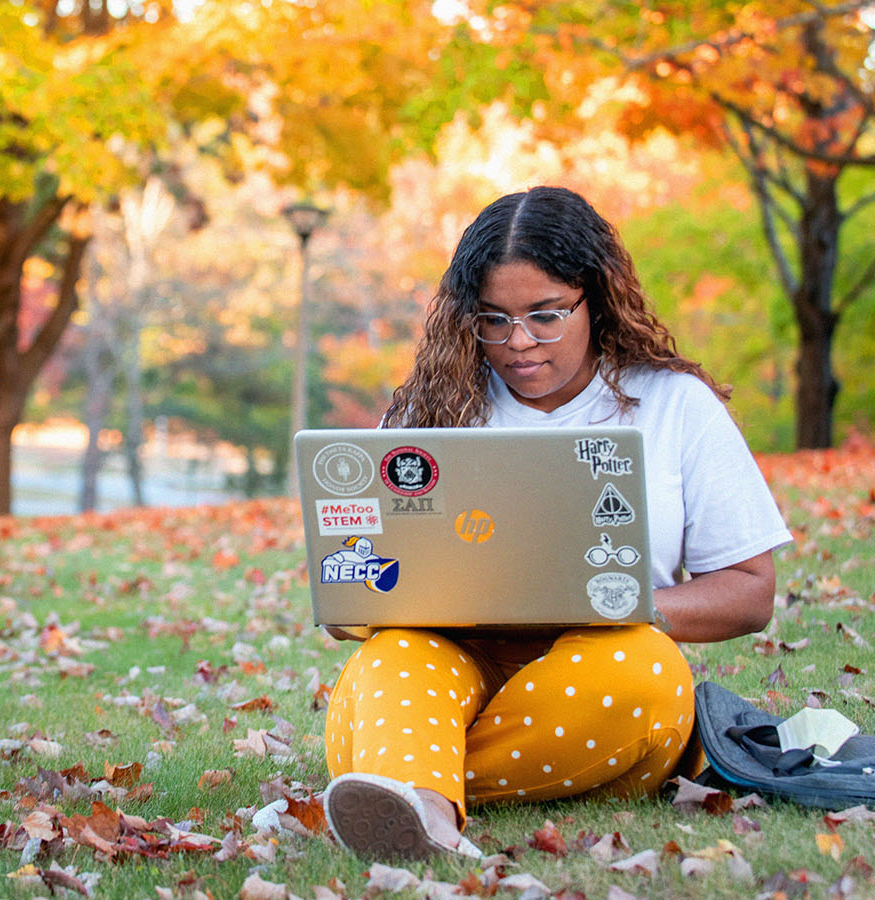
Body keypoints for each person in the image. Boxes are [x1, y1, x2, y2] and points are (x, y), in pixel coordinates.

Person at [319, 186, 793, 861]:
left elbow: (751, 590)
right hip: (446, 667)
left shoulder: (673, 405)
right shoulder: (433, 409)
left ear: (596, 299)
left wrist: (624, 605)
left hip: (596, 670)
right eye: (493, 319)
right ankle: (422, 809)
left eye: (545, 316)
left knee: (648, 674)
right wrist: (350, 589)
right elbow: (356, 605)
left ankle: (404, 778)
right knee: (389, 660)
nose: (517, 343)